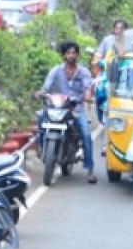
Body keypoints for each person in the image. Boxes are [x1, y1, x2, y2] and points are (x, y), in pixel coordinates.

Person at [36, 42, 96, 183]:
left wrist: (87, 95)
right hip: (58, 108)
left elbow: (88, 86)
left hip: (76, 109)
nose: (71, 55)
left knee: (86, 134)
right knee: (40, 119)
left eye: (74, 52)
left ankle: (90, 169)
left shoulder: (83, 72)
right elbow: (47, 86)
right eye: (68, 53)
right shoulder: (56, 70)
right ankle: (40, 147)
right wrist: (42, 92)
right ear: (63, 55)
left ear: (77, 55)